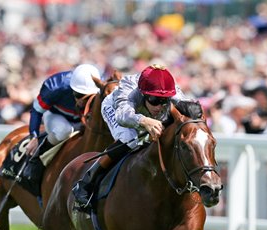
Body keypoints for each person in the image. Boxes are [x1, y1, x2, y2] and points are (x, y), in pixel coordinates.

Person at [72, 64, 190, 210]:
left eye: (163, 100)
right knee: (129, 139)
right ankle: (87, 183)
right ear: (143, 94)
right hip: (115, 108)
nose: (159, 106)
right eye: (154, 100)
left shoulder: (173, 90)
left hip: (140, 111)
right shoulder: (128, 89)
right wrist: (144, 121)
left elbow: (190, 110)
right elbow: (122, 116)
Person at [24, 64, 101, 157]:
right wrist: (33, 137)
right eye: (79, 94)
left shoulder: (103, 90)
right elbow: (37, 111)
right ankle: (38, 156)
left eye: (88, 97)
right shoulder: (55, 86)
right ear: (71, 87)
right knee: (64, 131)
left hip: (82, 120)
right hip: (56, 115)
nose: (82, 101)